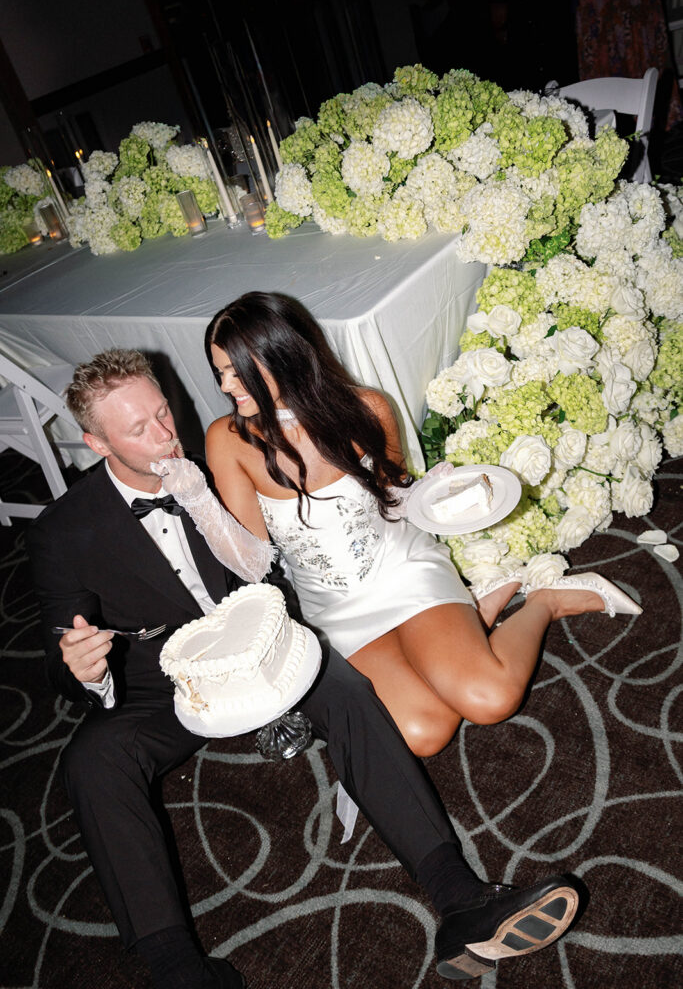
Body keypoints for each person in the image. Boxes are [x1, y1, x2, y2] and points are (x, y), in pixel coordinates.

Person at [27, 348, 583, 988]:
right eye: (138, 430)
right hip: (173, 684)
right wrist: (83, 667)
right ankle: (178, 969)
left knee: (347, 689)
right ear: (96, 442)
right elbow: (59, 662)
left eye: (163, 413)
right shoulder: (62, 532)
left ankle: (462, 900)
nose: (163, 436)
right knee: (90, 760)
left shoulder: (215, 460)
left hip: (273, 642)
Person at [155, 291, 642, 761]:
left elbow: (393, 497)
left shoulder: (368, 407)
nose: (226, 386)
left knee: (491, 700)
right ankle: (478, 610)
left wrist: (433, 494)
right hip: (335, 606)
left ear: (285, 359)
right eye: (220, 372)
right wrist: (196, 496)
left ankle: (544, 602)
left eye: (239, 371)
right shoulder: (229, 439)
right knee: (424, 734)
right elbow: (253, 561)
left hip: (402, 568)